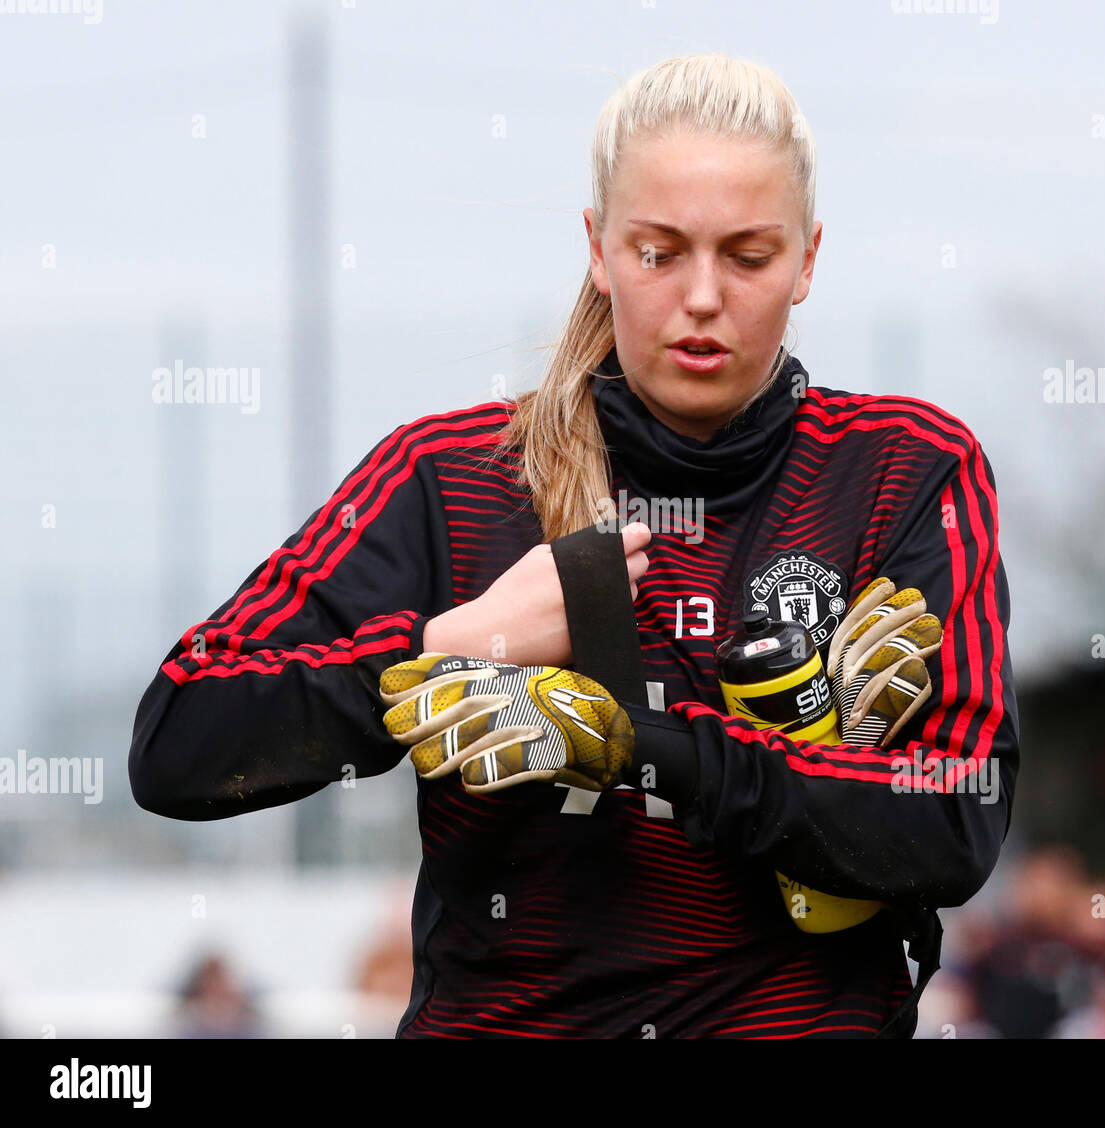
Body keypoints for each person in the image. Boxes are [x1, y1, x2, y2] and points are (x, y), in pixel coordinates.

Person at [129, 52, 1019, 1038]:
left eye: (749, 255)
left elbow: (954, 825)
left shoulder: (902, 470)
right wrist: (451, 650)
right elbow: (178, 746)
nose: (702, 296)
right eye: (658, 252)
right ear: (598, 249)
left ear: (808, 259)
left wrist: (635, 747)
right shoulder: (448, 476)